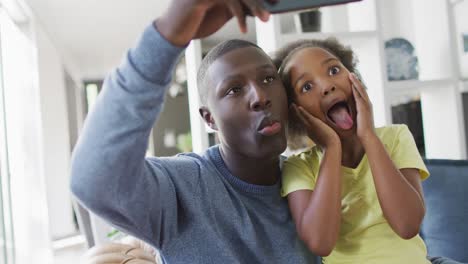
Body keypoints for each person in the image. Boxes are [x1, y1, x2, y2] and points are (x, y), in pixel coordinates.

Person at [70, 0, 317, 263]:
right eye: (234, 89)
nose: (260, 97)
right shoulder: (183, 188)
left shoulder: (312, 181)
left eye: (268, 79)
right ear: (209, 119)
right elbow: (94, 180)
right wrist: (167, 35)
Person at [274, 38, 462, 264]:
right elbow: (320, 242)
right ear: (296, 114)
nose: (327, 86)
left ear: (356, 78)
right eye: (307, 86)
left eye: (334, 70)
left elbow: (408, 225)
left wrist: (369, 137)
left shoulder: (396, 137)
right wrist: (332, 149)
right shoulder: (299, 167)